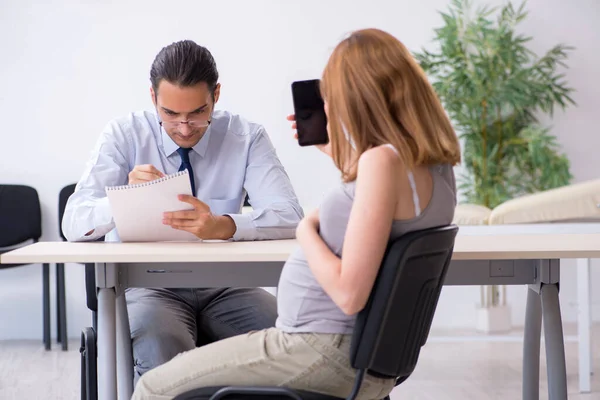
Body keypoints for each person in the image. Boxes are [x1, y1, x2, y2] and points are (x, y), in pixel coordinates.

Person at [131, 28, 462, 400]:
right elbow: (384, 201)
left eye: (335, 93)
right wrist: (334, 152)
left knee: (153, 386)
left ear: (362, 94)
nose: (332, 104)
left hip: (319, 349)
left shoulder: (380, 161)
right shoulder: (433, 164)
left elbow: (350, 294)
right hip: (351, 351)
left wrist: (306, 231)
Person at [61, 40, 303, 384]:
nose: (185, 127)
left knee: (296, 345)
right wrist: (123, 199)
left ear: (216, 95)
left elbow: (290, 215)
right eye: (171, 114)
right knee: (164, 361)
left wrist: (225, 226)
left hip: (227, 284)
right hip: (148, 285)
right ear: (153, 98)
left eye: (198, 113)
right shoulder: (123, 135)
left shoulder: (246, 137)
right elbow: (73, 223)